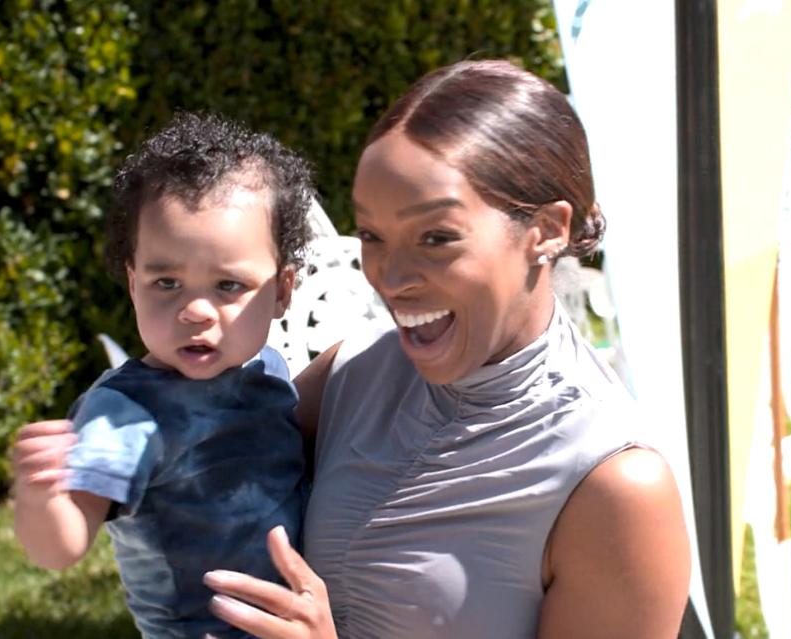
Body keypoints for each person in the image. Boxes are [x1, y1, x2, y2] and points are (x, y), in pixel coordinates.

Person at [201, 60, 691, 638]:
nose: (392, 276)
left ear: (547, 231)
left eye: (437, 238)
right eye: (373, 237)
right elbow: (201, 464)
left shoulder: (616, 488)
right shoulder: (355, 372)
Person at [12, 111, 312, 638]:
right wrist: (42, 498)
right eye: (167, 282)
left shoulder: (268, 370)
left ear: (282, 290)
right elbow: (62, 548)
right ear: (133, 284)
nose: (195, 311)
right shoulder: (127, 414)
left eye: (227, 286)